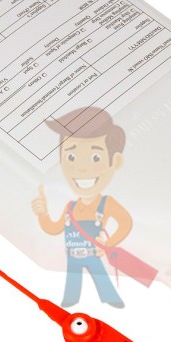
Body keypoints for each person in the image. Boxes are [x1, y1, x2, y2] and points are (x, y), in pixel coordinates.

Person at [31, 107, 132, 308]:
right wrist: (42, 213)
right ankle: (71, 299)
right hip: (72, 257)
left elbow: (125, 222)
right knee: (73, 282)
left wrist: (108, 244)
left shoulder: (106, 203)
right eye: (71, 157)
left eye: (95, 157)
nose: (82, 168)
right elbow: (54, 228)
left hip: (94, 254)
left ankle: (110, 297)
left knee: (101, 278)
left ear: (115, 161)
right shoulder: (70, 207)